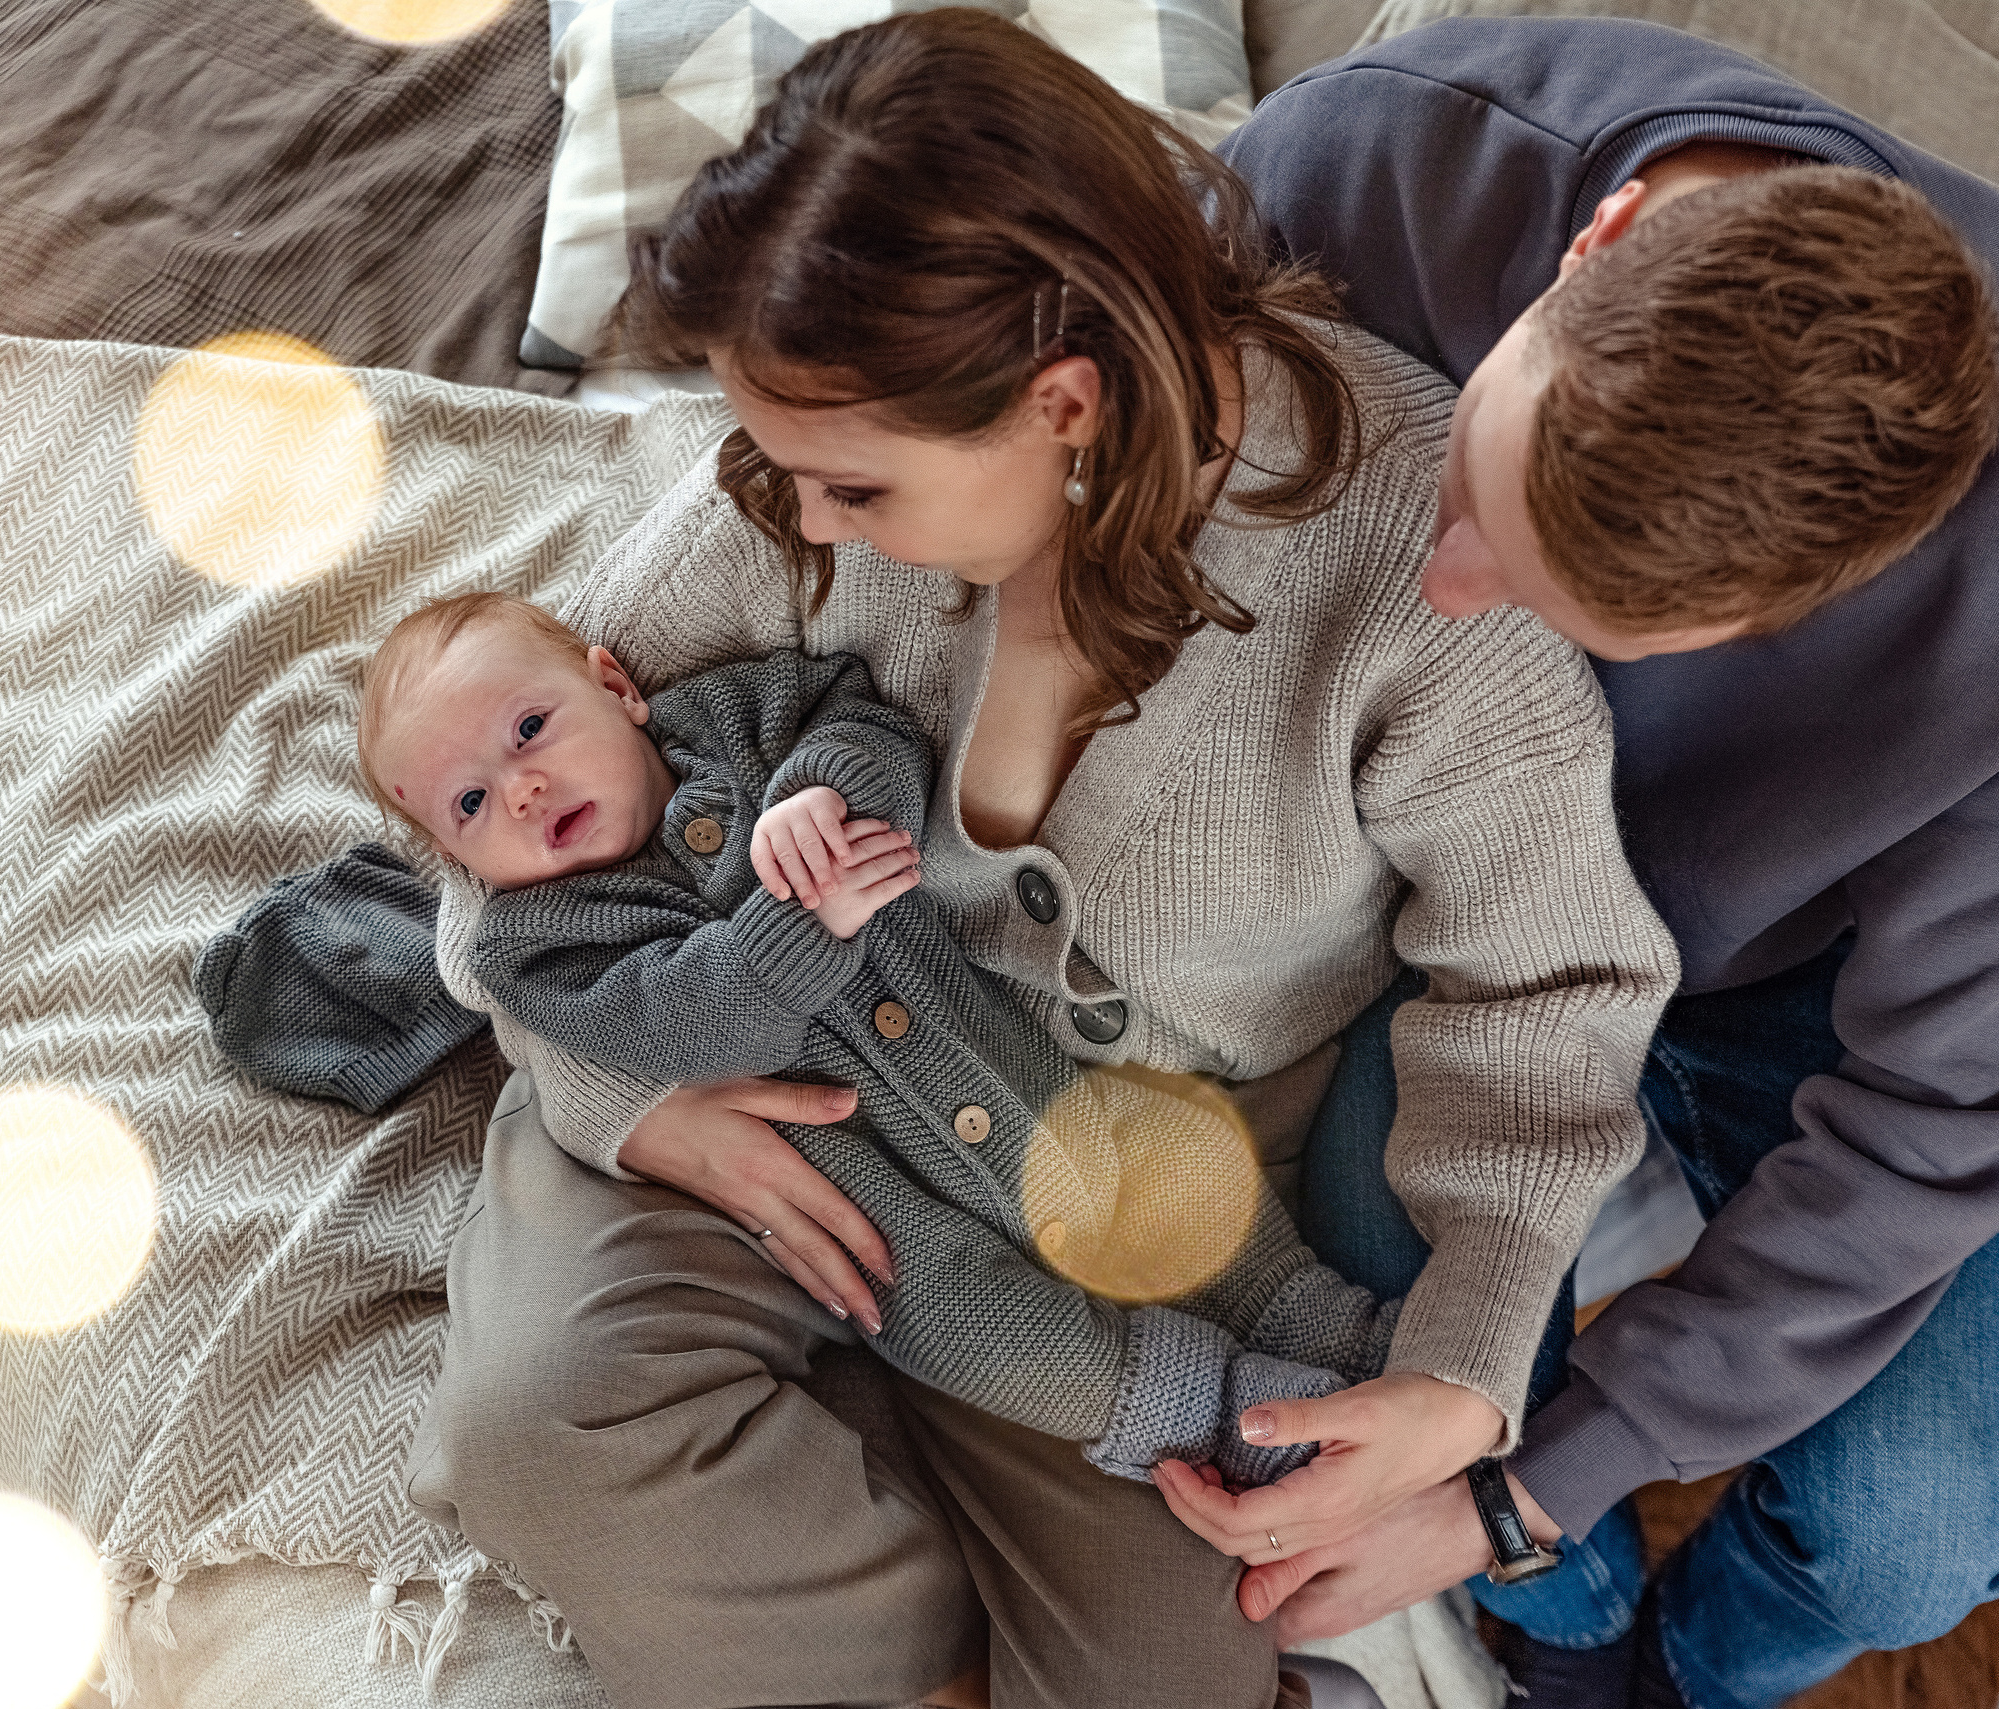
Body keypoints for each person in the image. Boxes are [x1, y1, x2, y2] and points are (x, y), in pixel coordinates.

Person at [397, 11, 1678, 1708]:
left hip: (1135, 1189)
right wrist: (627, 1093)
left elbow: (1554, 988)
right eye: (789, 476)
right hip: (757, 1059)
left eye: (858, 486)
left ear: (1059, 404)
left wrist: (1464, 1367)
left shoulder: (1409, 579)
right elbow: (488, 800)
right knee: (538, 1433)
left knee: (1175, 1669)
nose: (806, 523)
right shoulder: (792, 482)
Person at [1188, 18, 1999, 1709]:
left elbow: (1943, 1126)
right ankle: (1559, 1633)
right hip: (1437, 883)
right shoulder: (1373, 151)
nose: (1445, 581)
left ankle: (1681, 1673)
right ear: (1602, 242)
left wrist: (1517, 1488)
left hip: (1779, 969)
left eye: (1544, 589)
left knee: (1911, 1542)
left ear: (1819, 600)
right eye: (1478, 483)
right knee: (1370, 1259)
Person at [349, 592, 1404, 1485]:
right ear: (462, 863)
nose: (522, 787)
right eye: (473, 801)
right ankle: (1224, 1411)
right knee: (982, 1333)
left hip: (1034, 1082)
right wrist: (804, 913)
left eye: (529, 728)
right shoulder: (541, 947)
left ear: (617, 688)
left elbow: (865, 725)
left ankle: (1318, 1319)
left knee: (1171, 1174)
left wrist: (823, 795)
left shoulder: (731, 722)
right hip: (892, 1224)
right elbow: (692, 1021)